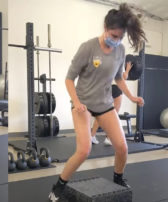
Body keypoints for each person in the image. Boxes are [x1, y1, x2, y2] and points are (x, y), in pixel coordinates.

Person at [48, 4, 146, 201]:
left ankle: (118, 177)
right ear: (105, 27)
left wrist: (131, 97)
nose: (116, 40)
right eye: (113, 35)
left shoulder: (119, 51)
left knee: (122, 147)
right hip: (82, 103)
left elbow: (119, 79)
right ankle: (58, 186)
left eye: (120, 37)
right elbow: (69, 78)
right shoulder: (88, 47)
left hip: (105, 104)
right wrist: (76, 102)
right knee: (84, 150)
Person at [91, 61, 133, 145]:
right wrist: (128, 69)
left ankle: (92, 136)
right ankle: (108, 138)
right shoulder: (119, 61)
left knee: (101, 114)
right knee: (114, 115)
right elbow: (124, 77)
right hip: (116, 88)